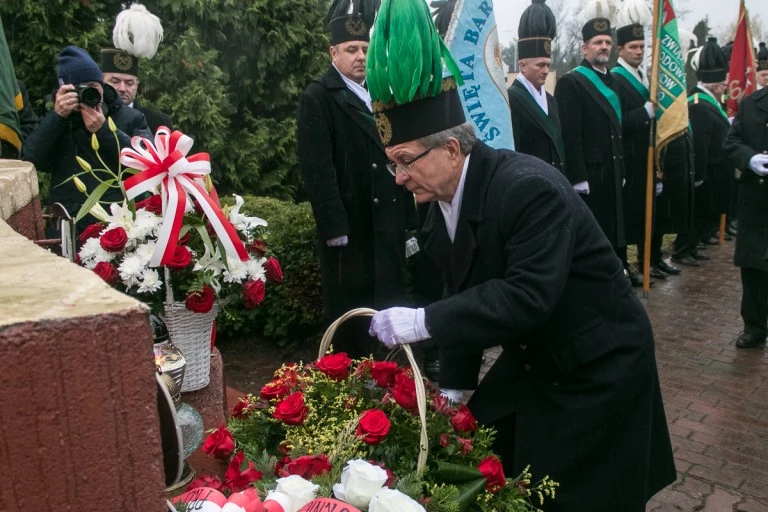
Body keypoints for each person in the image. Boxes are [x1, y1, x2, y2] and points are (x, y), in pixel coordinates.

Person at [365, 1, 676, 509]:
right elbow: (461, 291)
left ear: (450, 150)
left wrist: (422, 322)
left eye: (404, 161)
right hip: (537, 357)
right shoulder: (437, 203)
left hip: (597, 361)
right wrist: (456, 391)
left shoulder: (528, 189)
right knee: (479, 451)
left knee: (577, 494)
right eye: (392, 165)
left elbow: (527, 295)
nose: (398, 179)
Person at [297, 0, 416, 359]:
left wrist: (408, 223)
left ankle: (391, 374)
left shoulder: (380, 94)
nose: (360, 56)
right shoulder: (319, 96)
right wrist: (335, 228)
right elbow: (317, 169)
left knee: (390, 302)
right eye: (351, 49)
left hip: (388, 221)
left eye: (365, 48)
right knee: (353, 309)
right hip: (352, 227)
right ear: (333, 51)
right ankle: (348, 378)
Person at [22, 46, 151, 231]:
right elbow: (32, 160)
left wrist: (104, 131)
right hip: (66, 225)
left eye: (94, 87)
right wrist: (57, 117)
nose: (88, 94)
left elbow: (145, 163)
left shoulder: (130, 118)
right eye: (80, 88)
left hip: (117, 224)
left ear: (102, 86)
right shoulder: (59, 120)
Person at [555, 17, 627, 257]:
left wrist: (622, 169)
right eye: (597, 42)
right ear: (584, 48)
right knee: (594, 231)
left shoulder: (614, 81)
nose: (604, 46)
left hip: (613, 169)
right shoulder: (571, 82)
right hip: (591, 173)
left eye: (607, 41)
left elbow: (617, 132)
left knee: (615, 226)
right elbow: (570, 133)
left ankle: (618, 269)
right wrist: (577, 176)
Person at [611, 22, 669, 284]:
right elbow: (616, 121)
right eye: (633, 47)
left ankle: (649, 260)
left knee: (649, 212)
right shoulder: (615, 78)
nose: (639, 51)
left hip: (648, 158)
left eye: (642, 46)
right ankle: (624, 265)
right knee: (627, 217)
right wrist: (644, 113)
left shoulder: (645, 75)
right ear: (620, 50)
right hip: (629, 158)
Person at [672, 39, 730, 266]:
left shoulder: (711, 102)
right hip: (704, 169)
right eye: (723, 83)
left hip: (714, 168)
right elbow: (700, 144)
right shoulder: (697, 103)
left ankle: (693, 246)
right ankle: (683, 249)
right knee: (696, 212)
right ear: (714, 85)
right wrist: (700, 174)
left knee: (705, 211)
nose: (725, 86)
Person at [723, 82, 768, 348]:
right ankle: (754, 325)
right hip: (757, 198)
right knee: (753, 267)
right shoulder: (752, 103)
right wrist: (750, 159)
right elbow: (731, 142)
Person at [508, 0, 564, 172]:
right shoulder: (511, 99)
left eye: (548, 64)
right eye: (540, 65)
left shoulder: (551, 100)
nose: (546, 70)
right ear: (523, 66)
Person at [101, 48, 173, 134]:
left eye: (129, 83)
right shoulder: (92, 118)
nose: (122, 88)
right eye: (115, 81)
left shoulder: (158, 122)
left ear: (137, 85)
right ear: (102, 83)